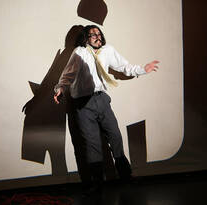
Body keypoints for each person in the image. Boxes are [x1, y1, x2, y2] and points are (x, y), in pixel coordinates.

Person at [53, 25, 159, 194]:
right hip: (83, 104)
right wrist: (60, 89)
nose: (97, 36)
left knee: (115, 136)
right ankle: (97, 183)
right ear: (85, 38)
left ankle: (126, 176)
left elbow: (125, 67)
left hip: (102, 100)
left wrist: (143, 70)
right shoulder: (80, 52)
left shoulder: (108, 50)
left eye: (99, 33)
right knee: (92, 143)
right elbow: (68, 75)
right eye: (92, 34)